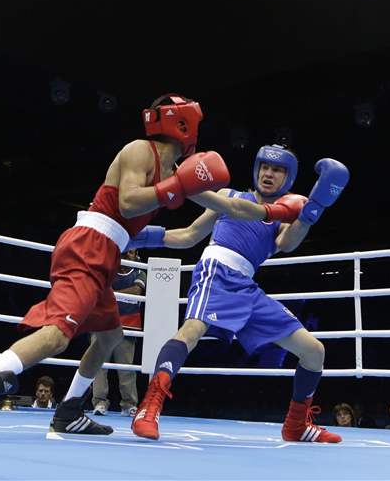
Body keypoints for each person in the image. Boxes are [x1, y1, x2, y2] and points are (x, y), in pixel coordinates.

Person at [0, 94, 277, 441]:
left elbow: (198, 229)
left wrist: (275, 212)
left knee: (109, 337)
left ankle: (69, 411)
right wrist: (175, 188)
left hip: (109, 250)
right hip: (89, 245)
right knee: (58, 334)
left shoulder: (176, 174)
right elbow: (128, 203)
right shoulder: (139, 151)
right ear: (184, 126)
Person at [130, 146, 349, 444]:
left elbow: (287, 243)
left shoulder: (286, 211)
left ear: (288, 177)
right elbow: (190, 235)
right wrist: (146, 236)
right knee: (192, 330)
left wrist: (310, 215)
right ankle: (148, 409)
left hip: (247, 287)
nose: (268, 174)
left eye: (277, 170)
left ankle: (296, 426)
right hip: (216, 271)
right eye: (265, 167)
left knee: (314, 351)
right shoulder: (230, 195)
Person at [91, 248, 146, 416]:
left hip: (128, 325)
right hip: (103, 322)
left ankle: (129, 404)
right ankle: (99, 402)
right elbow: (99, 290)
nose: (127, 255)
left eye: (130, 253)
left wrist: (110, 294)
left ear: (136, 255)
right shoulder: (108, 268)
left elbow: (136, 292)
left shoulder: (140, 272)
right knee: (98, 365)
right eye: (125, 252)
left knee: (126, 367)